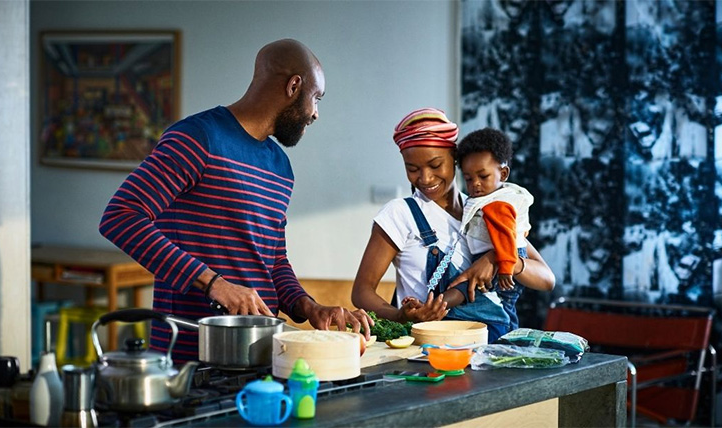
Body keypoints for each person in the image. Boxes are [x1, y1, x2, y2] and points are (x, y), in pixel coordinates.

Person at [100, 39, 372, 364]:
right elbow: (120, 217)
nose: (315, 113)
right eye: (315, 98)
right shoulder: (197, 138)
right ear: (293, 86)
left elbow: (273, 261)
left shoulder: (280, 166)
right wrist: (214, 284)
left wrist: (309, 307)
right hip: (190, 356)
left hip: (261, 353)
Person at [351, 108, 554, 342]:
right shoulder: (400, 213)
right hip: (429, 349)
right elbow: (362, 292)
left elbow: (547, 279)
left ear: (455, 159)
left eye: (436, 165)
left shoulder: (485, 211)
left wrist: (500, 258)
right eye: (413, 169)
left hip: (491, 344)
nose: (425, 178)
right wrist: (400, 316)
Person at [404, 127, 535, 331]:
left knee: (499, 307)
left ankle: (433, 307)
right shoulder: (478, 202)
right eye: (469, 178)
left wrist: (502, 262)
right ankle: (433, 306)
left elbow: (506, 236)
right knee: (468, 287)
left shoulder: (497, 203)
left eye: (483, 177)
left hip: (506, 258)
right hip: (497, 257)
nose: (476, 184)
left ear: (503, 173)